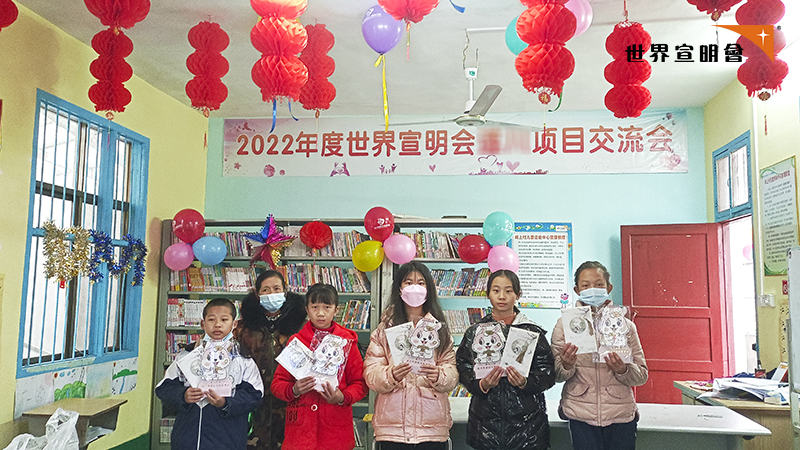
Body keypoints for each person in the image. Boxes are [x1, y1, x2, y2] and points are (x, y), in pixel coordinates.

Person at [551, 261, 648, 450]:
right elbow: (555, 375)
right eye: (585, 285)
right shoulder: (564, 325)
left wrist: (623, 369)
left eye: (599, 284)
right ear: (577, 290)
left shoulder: (625, 326)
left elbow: (642, 375)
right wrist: (566, 364)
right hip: (580, 413)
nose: (592, 290)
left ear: (609, 288)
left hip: (620, 413)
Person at [456, 270, 555, 450]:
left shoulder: (532, 332)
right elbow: (463, 367)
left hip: (528, 430)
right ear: (488, 294)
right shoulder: (475, 332)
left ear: (518, 294)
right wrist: (481, 385)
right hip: (485, 429)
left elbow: (547, 371)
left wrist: (525, 382)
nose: (502, 296)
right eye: (496, 290)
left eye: (508, 291)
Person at [364, 261, 459, 450]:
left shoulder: (439, 330)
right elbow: (371, 374)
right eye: (408, 282)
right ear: (399, 289)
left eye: (421, 283)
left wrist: (439, 375)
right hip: (393, 429)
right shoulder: (384, 330)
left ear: (429, 289)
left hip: (431, 429)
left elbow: (452, 374)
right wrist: (391, 375)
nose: (415, 287)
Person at [156, 298, 264, 450]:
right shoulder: (186, 356)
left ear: (234, 324)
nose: (217, 324)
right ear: (203, 324)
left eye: (224, 319)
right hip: (187, 440)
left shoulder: (243, 359)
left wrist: (226, 404)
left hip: (227, 440)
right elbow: (164, 388)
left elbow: (255, 395)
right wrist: (183, 396)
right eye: (211, 319)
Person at [271, 283, 368, 450]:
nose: (321, 313)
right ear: (307, 310)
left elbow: (360, 383)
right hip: (300, 435)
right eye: (315, 307)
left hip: (334, 434)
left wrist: (342, 397)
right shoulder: (297, 342)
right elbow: (277, 383)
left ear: (336, 310)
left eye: (327, 307)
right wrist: (294, 389)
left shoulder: (347, 343)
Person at [234, 270, 307, 450]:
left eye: (276, 288)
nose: (271, 293)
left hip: (292, 406)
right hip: (254, 409)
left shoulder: (301, 327)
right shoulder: (243, 329)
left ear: (285, 291)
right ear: (257, 294)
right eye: (265, 290)